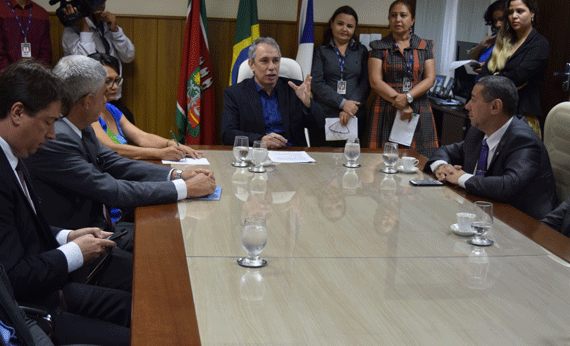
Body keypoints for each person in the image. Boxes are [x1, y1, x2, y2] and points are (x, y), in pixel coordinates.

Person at [0, 59, 131, 345]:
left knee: (139, 306)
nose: (52, 134)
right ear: (18, 113)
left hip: (52, 288)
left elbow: (22, 230)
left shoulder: (15, 154)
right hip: (30, 313)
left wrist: (68, 236)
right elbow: (12, 276)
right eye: (48, 122)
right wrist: (75, 252)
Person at [24, 55, 216, 242]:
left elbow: (114, 162)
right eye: (102, 95)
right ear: (88, 100)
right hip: (81, 241)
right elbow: (111, 190)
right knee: (167, 243)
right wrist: (185, 188)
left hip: (102, 229)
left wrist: (177, 175)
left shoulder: (80, 125)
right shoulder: (58, 138)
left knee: (168, 232)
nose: (105, 101)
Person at [425, 76, 557, 220]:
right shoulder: (477, 132)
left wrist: (461, 177)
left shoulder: (524, 140)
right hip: (483, 212)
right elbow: (445, 151)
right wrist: (442, 167)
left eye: (473, 100)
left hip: (524, 226)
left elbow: (507, 185)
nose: (467, 106)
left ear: (495, 107)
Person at [89, 52, 201, 160]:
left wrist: (172, 144)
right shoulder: (89, 113)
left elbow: (142, 137)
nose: (115, 87)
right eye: (108, 81)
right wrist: (159, 153)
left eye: (116, 80)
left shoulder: (111, 109)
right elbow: (112, 149)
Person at [221, 37, 325, 148]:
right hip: (256, 154)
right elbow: (227, 134)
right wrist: (260, 140)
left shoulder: (295, 89)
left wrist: (308, 103)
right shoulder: (235, 93)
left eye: (275, 61)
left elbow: (318, 125)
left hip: (292, 155)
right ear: (252, 65)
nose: (272, 67)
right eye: (264, 61)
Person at [367, 0, 437, 157]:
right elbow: (375, 81)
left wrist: (407, 98)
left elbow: (430, 79)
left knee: (420, 159)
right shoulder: (379, 46)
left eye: (403, 15)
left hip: (418, 105)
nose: (398, 19)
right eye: (393, 15)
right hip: (387, 105)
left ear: (412, 20)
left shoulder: (425, 46)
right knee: (380, 159)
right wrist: (399, 101)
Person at [478, 0, 548, 137]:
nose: (514, 16)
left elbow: (519, 76)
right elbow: (483, 75)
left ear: (532, 13)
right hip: (494, 113)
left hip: (521, 115)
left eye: (520, 11)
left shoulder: (540, 44)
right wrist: (505, 81)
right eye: (510, 12)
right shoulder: (504, 42)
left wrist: (495, 76)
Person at [61, 0, 135, 122]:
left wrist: (115, 30)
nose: (101, 4)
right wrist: (83, 25)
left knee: (127, 124)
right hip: (91, 104)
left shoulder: (105, 26)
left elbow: (129, 55)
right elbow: (88, 63)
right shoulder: (71, 32)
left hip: (113, 100)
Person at [310, 6, 369, 147]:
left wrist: (350, 107)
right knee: (324, 162)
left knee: (351, 160)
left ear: (354, 29)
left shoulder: (361, 51)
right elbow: (317, 83)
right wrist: (343, 103)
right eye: (340, 24)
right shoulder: (320, 50)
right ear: (331, 24)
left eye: (350, 26)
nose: (344, 29)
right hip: (325, 115)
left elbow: (366, 82)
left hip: (354, 115)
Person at [0, 0, 51, 70]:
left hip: (36, 76)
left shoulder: (41, 13)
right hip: (5, 76)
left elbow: (45, 52)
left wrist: (37, 74)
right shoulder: (2, 9)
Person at [467, 0, 506, 72]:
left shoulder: (517, 40)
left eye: (502, 20)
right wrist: (480, 46)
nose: (497, 24)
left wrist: (488, 68)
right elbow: (470, 60)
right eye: (495, 21)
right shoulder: (493, 37)